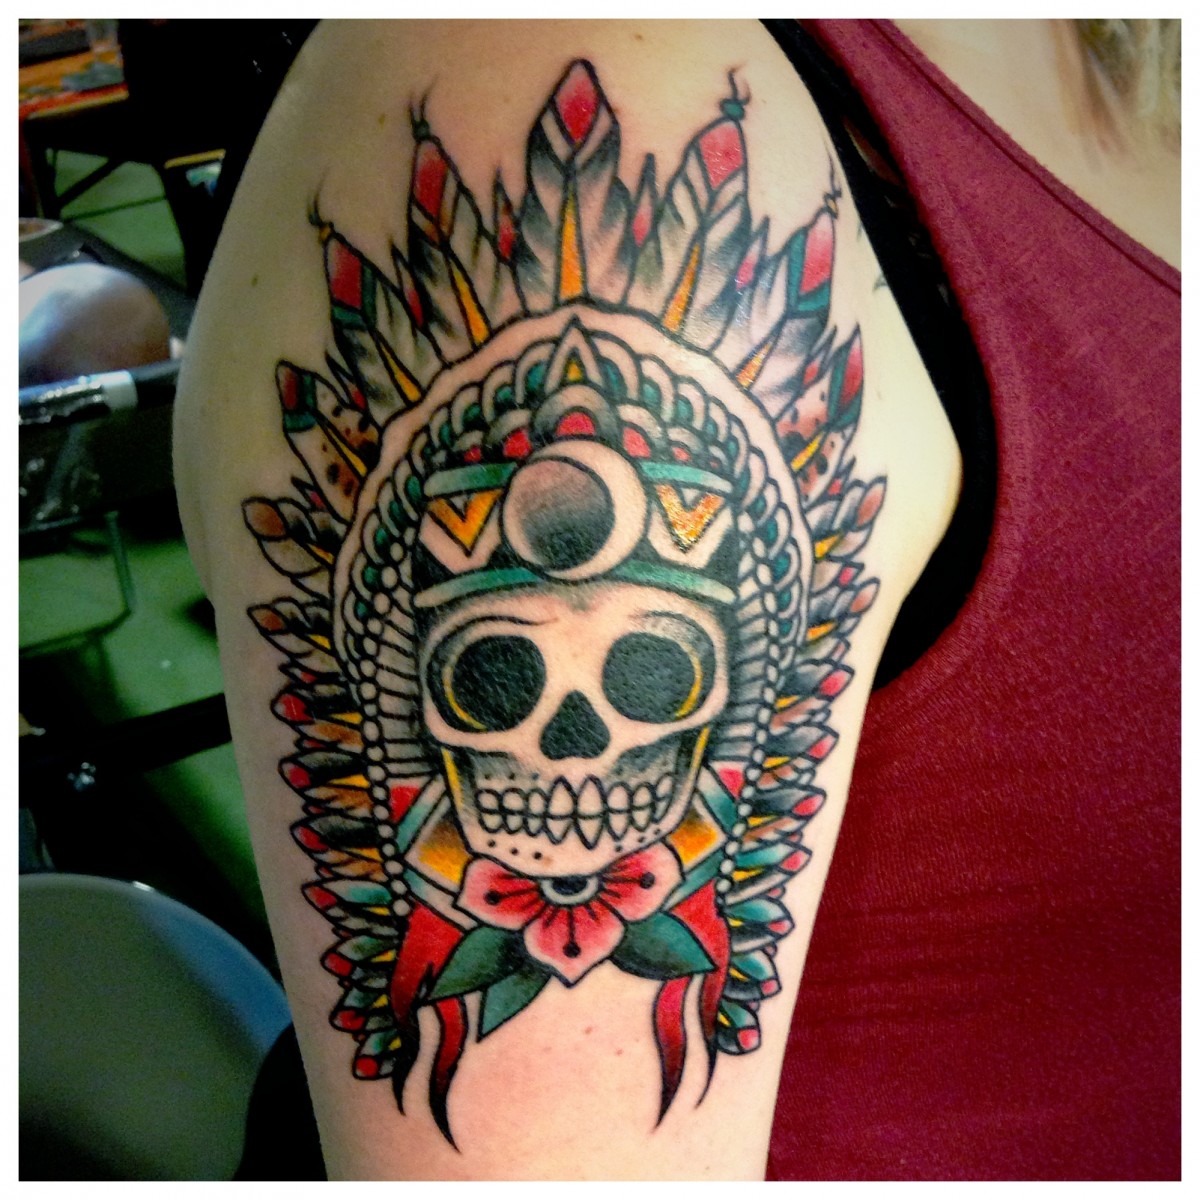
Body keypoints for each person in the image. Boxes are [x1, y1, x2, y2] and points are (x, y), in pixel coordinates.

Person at [173, 20, 1179, 1179]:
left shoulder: (1126, 56)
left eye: (654, 671)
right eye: (491, 674)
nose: (571, 750)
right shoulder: (597, 59)